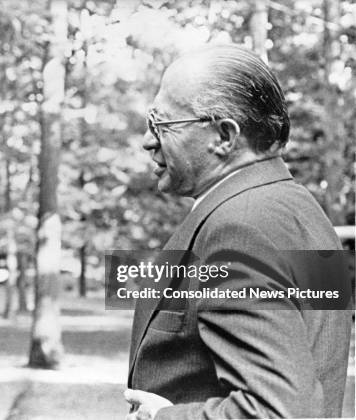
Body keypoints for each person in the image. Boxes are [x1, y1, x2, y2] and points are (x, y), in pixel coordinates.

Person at [124, 45, 352, 419]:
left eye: (161, 125)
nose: (148, 141)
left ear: (225, 136)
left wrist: (160, 418)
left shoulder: (242, 227)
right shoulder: (299, 211)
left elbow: (276, 411)